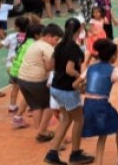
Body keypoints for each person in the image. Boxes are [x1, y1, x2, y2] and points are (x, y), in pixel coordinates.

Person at [76, 39, 118, 165]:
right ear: (113, 56)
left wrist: (83, 89)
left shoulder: (91, 67)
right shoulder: (113, 69)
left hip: (88, 104)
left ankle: (99, 162)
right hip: (101, 105)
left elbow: (76, 84)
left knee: (102, 134)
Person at [44, 18, 94, 165]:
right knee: (79, 119)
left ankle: (52, 153)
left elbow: (49, 66)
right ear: (80, 30)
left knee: (66, 119)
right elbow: (69, 70)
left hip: (56, 87)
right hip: (67, 89)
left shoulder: (59, 46)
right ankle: (75, 154)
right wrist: (81, 78)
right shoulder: (74, 49)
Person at [17, 23, 61, 140]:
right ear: (48, 36)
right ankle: (42, 131)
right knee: (49, 104)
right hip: (36, 80)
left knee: (36, 105)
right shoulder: (47, 47)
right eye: (55, 39)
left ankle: (40, 129)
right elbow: (49, 67)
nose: (56, 42)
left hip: (22, 79)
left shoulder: (34, 44)